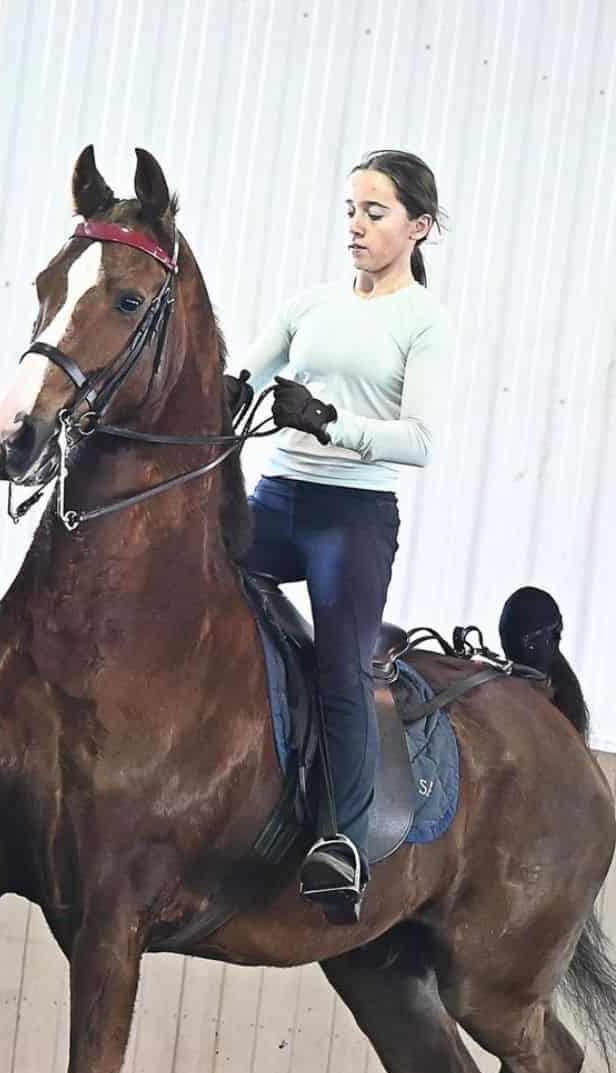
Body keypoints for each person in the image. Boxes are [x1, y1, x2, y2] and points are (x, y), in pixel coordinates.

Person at [230, 149, 457, 923]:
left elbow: (420, 440)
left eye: (376, 213)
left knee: (342, 670)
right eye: (351, 211)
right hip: (278, 498)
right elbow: (245, 376)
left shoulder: (423, 322)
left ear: (418, 227)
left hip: (350, 519)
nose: (356, 227)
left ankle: (343, 844)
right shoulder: (310, 304)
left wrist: (331, 421)